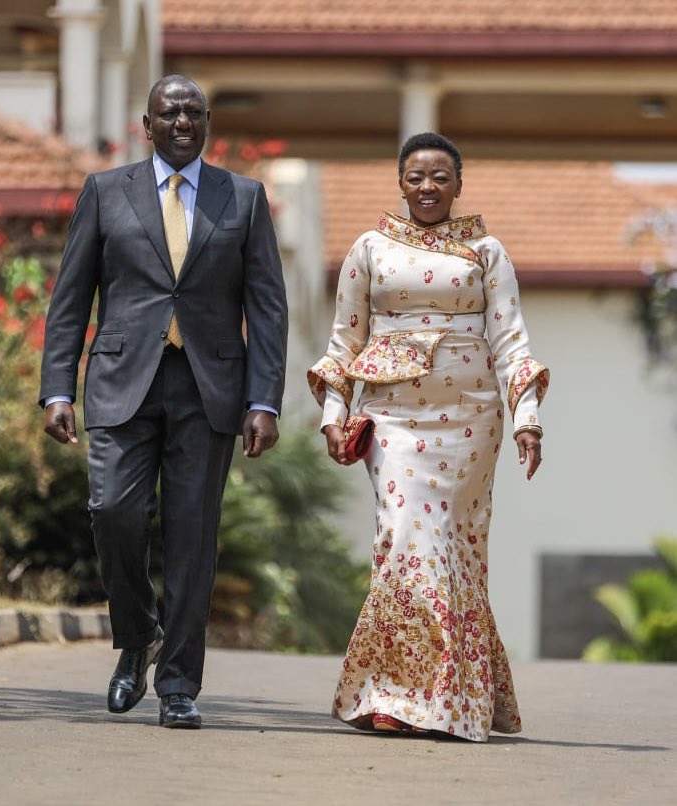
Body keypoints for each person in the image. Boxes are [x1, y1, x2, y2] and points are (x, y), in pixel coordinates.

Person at [40, 75, 288, 729]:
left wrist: (265, 399)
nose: (181, 121)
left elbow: (266, 308)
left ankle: (178, 683)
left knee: (191, 538)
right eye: (168, 112)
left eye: (193, 112)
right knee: (112, 510)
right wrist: (58, 387)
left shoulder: (245, 197)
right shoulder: (105, 191)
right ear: (145, 125)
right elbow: (71, 297)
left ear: (207, 123)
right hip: (123, 381)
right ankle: (137, 633)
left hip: (209, 389)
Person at [307, 132, 548, 742]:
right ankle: (395, 693)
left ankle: (446, 696)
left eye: (440, 176)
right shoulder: (369, 249)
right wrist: (334, 413)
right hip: (392, 420)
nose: (428, 187)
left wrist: (525, 419)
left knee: (452, 549)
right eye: (416, 176)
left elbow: (511, 340)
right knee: (406, 534)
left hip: (471, 421)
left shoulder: (486, 251)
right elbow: (345, 343)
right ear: (400, 182)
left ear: (459, 185)